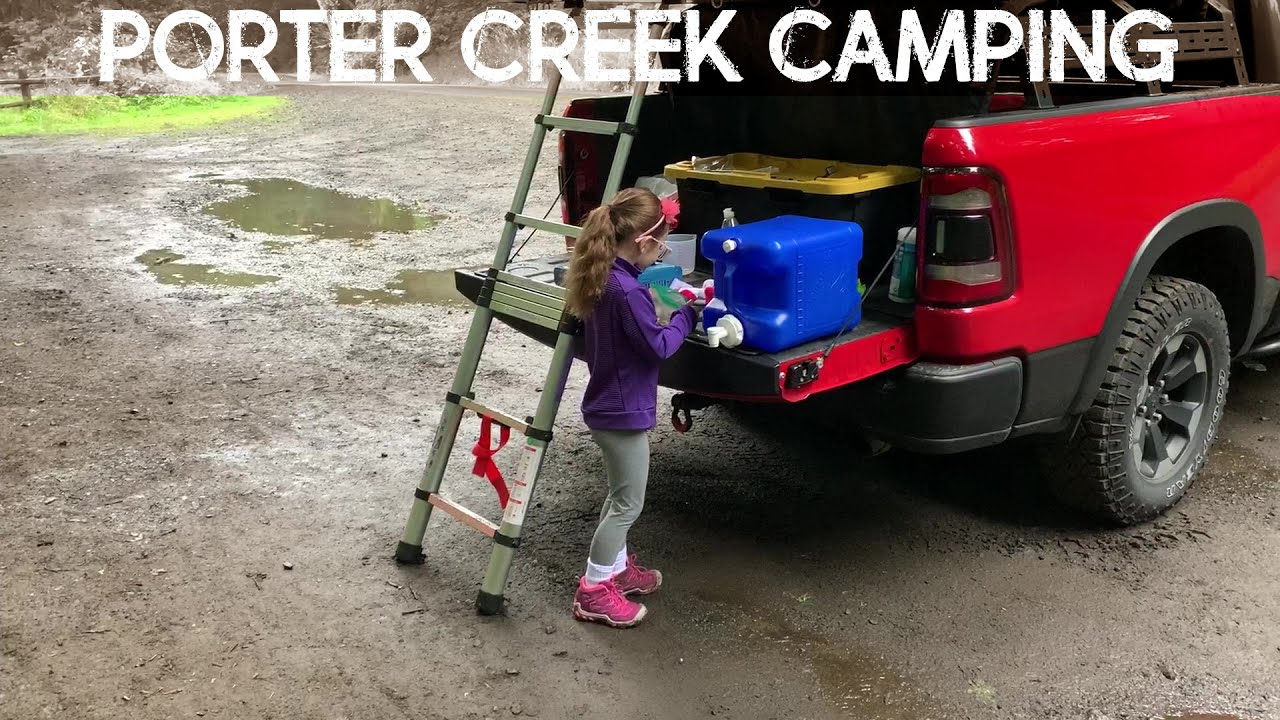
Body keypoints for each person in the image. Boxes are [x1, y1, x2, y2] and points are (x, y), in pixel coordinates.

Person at [562, 187, 697, 628]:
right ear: (643, 241)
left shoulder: (605, 278)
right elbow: (658, 345)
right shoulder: (627, 292)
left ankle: (616, 570)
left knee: (619, 495)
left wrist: (660, 303)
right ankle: (594, 590)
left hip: (608, 403)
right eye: (660, 245)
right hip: (622, 411)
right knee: (627, 504)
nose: (660, 254)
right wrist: (686, 316)